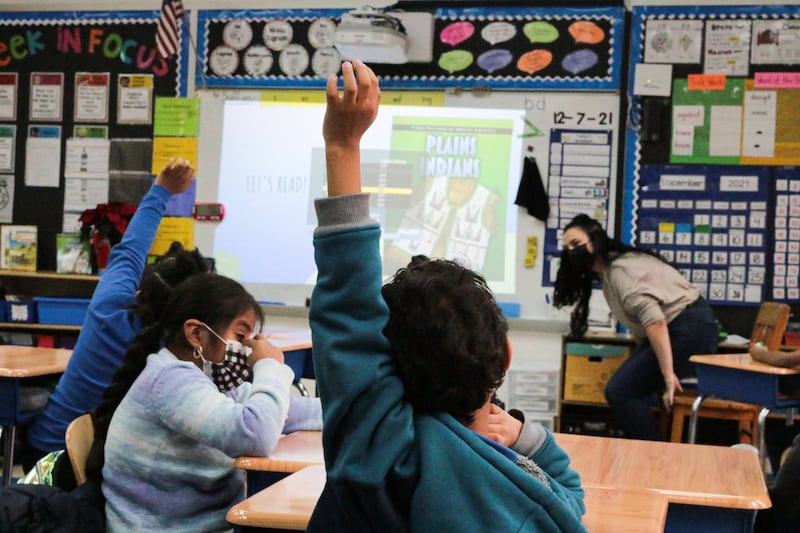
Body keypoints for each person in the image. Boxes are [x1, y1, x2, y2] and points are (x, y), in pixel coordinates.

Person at [307, 60, 585, 532]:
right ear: (506, 356)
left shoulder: (380, 452)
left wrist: (342, 144)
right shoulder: (527, 491)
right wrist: (527, 438)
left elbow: (349, 311)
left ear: (386, 363)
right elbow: (569, 498)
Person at [23, 158, 204, 471]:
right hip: (96, 470)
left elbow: (131, 247)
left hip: (45, 451)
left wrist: (162, 189)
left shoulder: (110, 304)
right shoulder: (178, 354)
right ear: (192, 324)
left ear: (140, 292)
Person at [86, 272, 294, 532]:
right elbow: (256, 435)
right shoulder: (171, 381)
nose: (249, 349)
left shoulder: (205, 378)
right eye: (241, 336)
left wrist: (353, 413)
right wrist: (270, 366)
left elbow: (289, 410)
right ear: (196, 334)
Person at [553, 214, 719, 441]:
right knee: (625, 385)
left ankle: (655, 454)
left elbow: (655, 322)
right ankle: (653, 447)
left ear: (595, 241)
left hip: (688, 329)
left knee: (620, 391)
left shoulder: (621, 272)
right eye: (567, 247)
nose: (571, 252)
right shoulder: (610, 272)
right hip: (686, 325)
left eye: (576, 244)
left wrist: (668, 377)